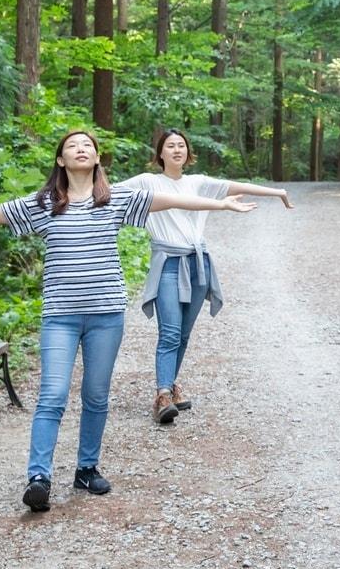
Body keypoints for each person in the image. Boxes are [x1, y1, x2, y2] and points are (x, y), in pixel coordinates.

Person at [0, 130, 257, 513]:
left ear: (98, 157)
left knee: (96, 396)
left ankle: (86, 468)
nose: (81, 149)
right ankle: (39, 477)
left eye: (87, 145)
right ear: (60, 161)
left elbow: (170, 199)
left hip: (106, 315)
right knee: (52, 396)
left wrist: (220, 206)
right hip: (60, 317)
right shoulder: (43, 204)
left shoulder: (116, 199)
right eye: (72, 146)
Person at [120, 128, 294, 424]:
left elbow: (237, 185)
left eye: (182, 146)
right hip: (168, 265)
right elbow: (106, 192)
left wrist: (277, 192)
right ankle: (162, 395)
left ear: (188, 152)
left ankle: (172, 386)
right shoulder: (146, 182)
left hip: (199, 264)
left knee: (184, 333)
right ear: (160, 153)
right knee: (170, 332)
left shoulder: (198, 183)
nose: (177, 150)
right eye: (170, 146)